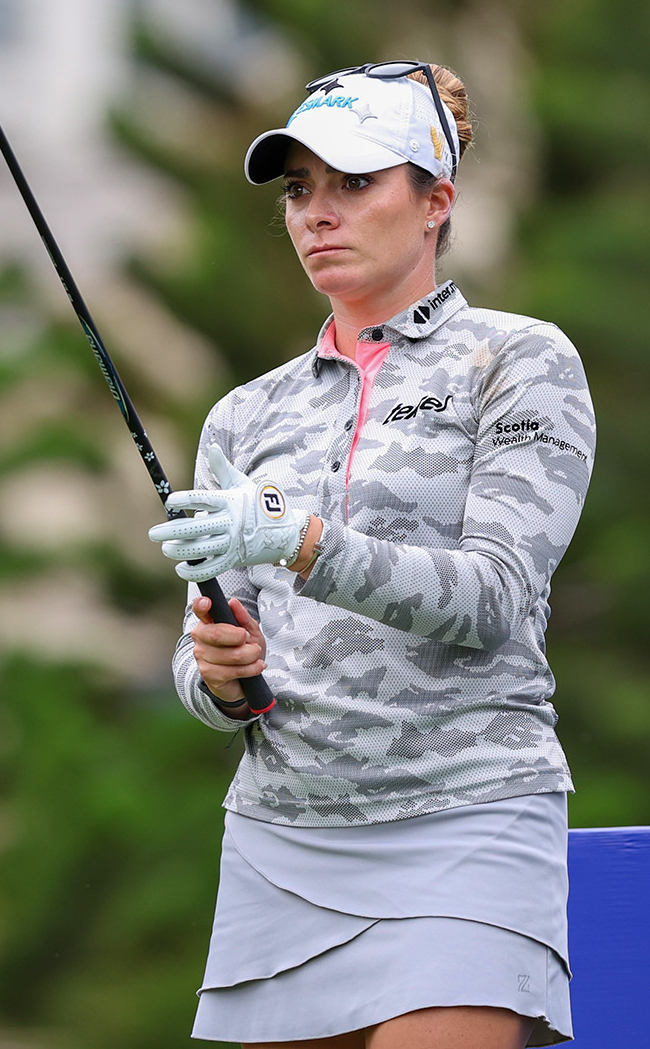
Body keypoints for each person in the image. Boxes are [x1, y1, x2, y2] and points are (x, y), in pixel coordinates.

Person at [147, 60, 595, 1049]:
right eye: (299, 190)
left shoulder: (519, 363)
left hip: (467, 817)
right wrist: (218, 676)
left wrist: (299, 542)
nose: (317, 213)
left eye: (354, 183)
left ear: (435, 200)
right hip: (282, 838)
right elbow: (212, 660)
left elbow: (492, 596)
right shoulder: (243, 414)